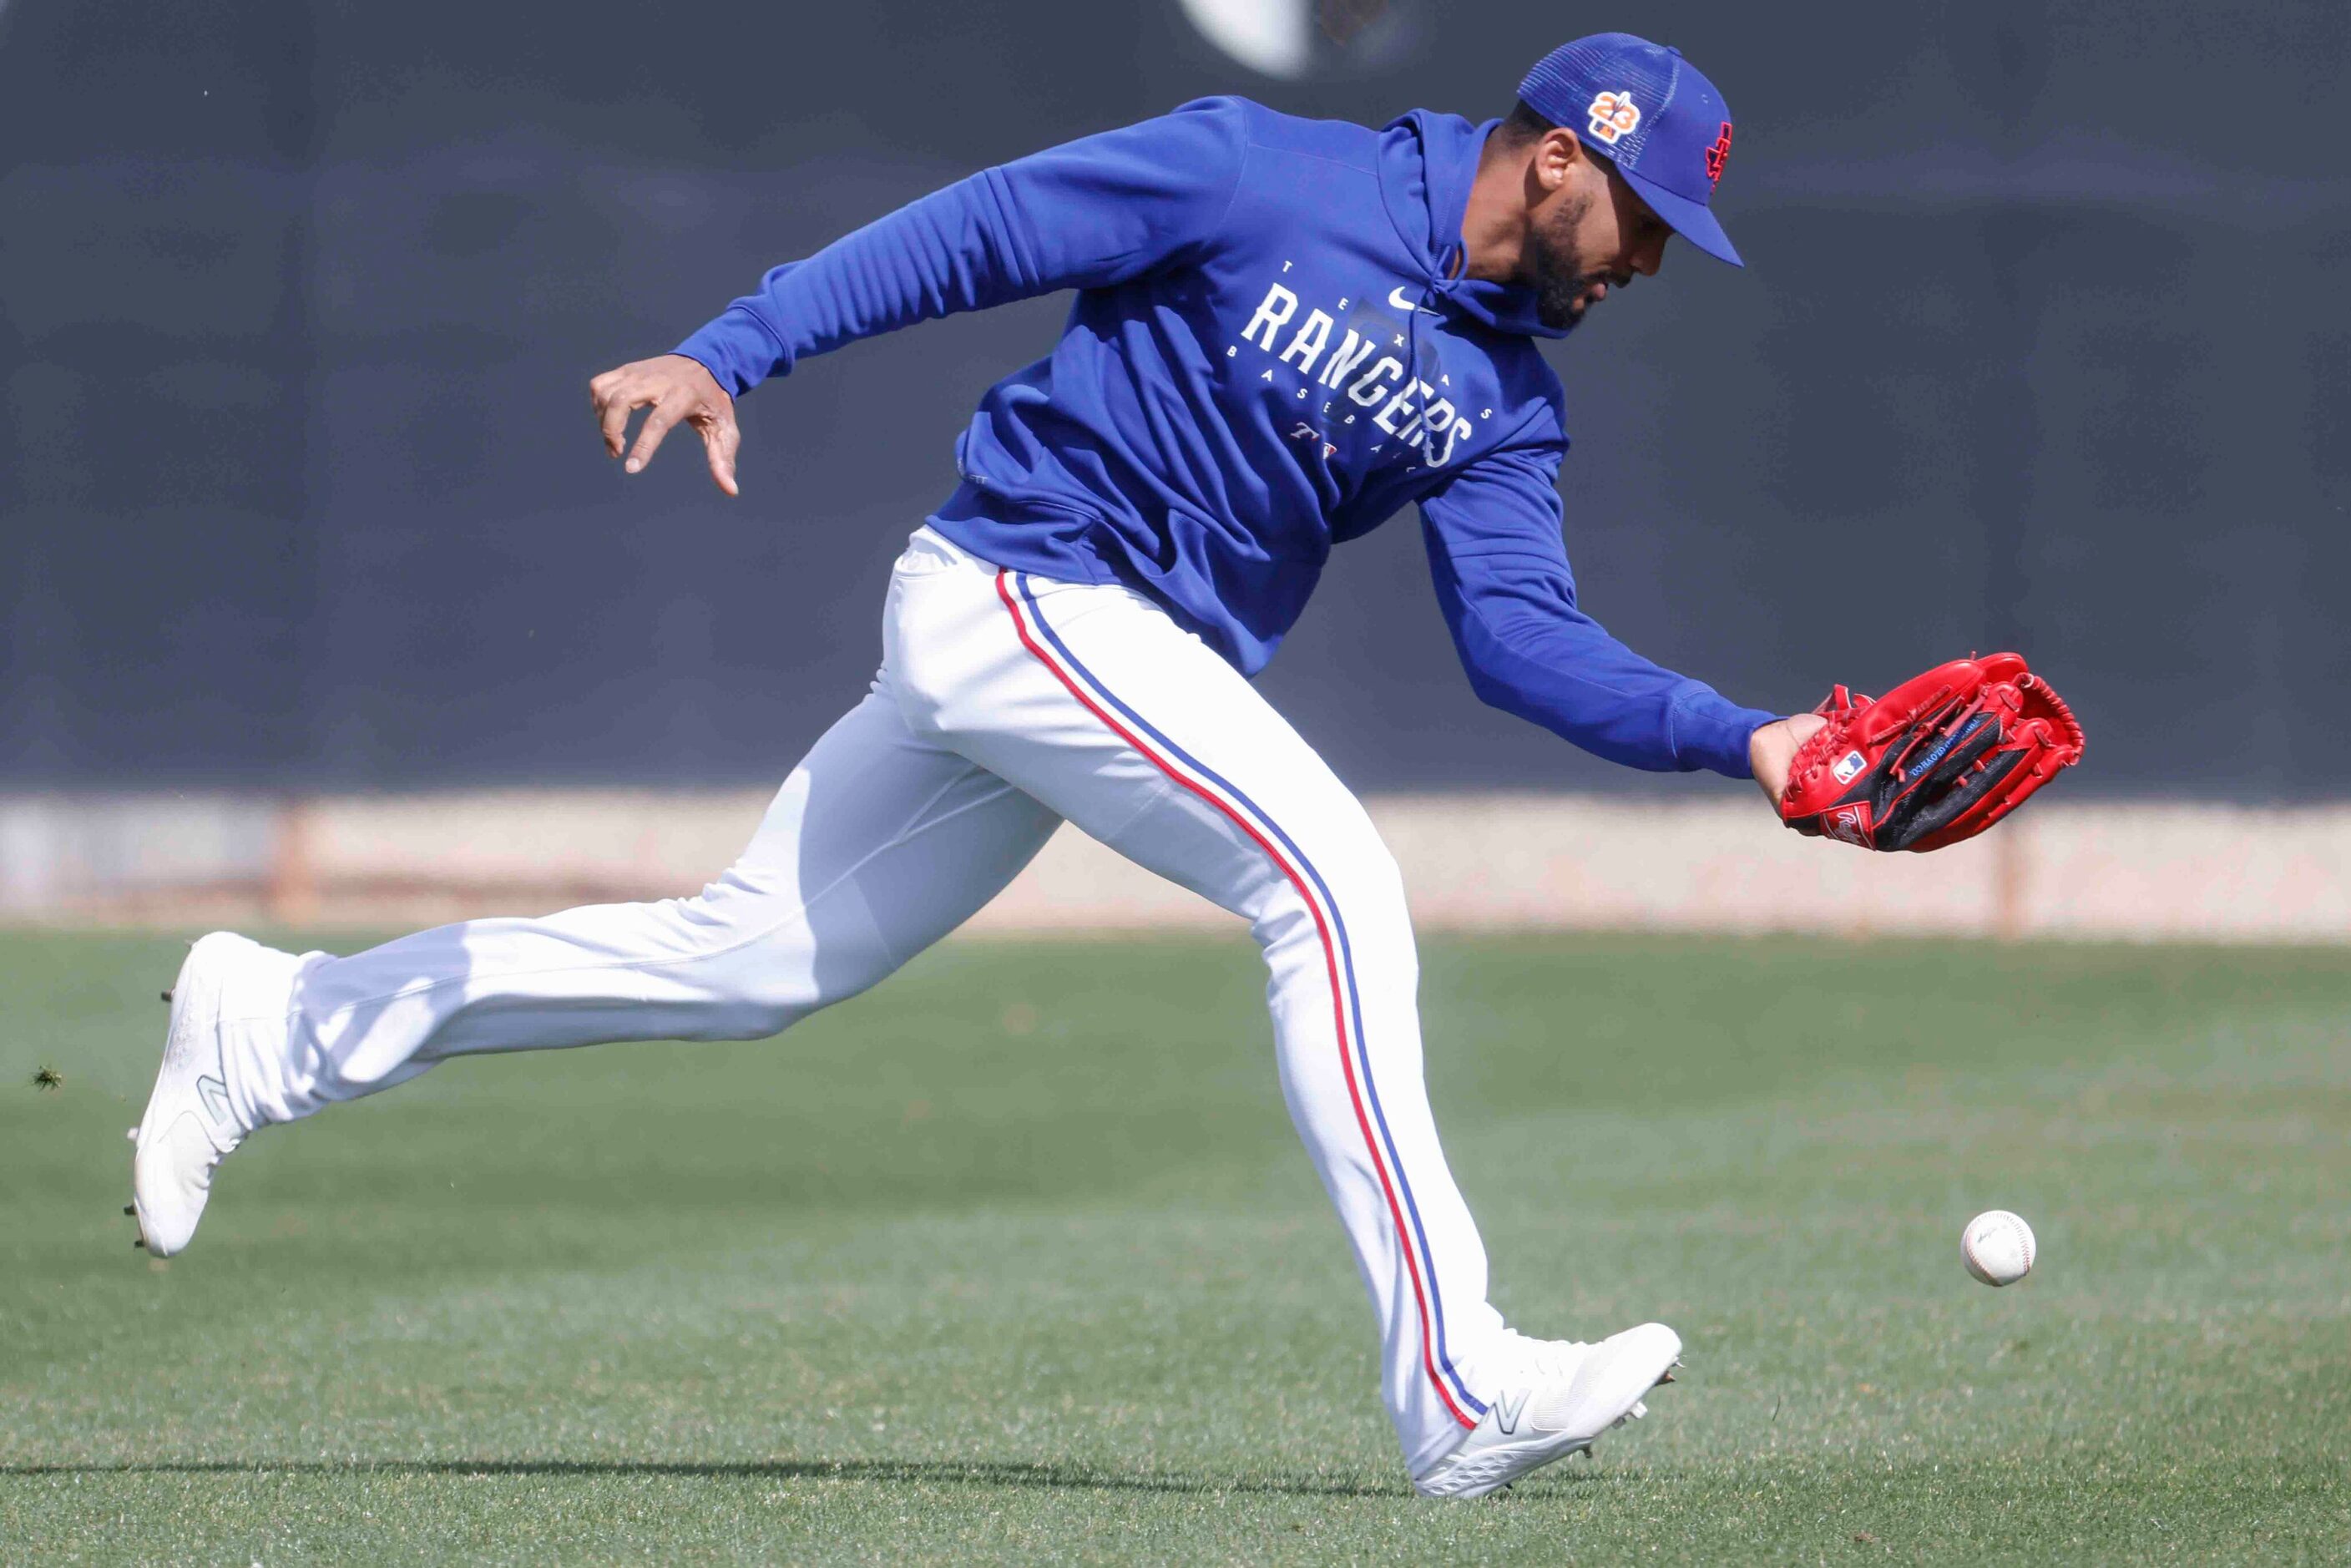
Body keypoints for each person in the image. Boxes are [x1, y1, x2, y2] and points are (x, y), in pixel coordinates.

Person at [130, 33, 1827, 1499]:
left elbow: (1521, 641)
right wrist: (731, 347)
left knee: (749, 959)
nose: (1651, 265)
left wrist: (1742, 738)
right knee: (1326, 884)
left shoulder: (1505, 398)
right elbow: (985, 231)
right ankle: (1457, 1388)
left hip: (1082, 658)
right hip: (1021, 590)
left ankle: (277, 1029)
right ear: (1554, 161)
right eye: (1647, 222)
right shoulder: (1260, 172)